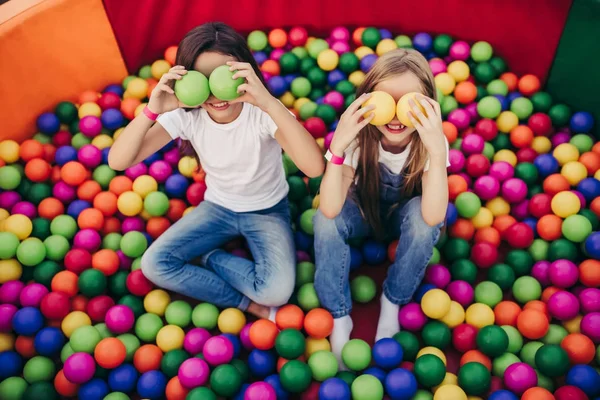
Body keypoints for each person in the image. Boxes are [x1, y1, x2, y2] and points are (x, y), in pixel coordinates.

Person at [108, 22, 324, 320]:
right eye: (202, 79)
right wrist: (153, 109)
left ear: (245, 72)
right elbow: (119, 161)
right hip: (218, 208)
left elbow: (314, 167)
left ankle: (207, 256)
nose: (215, 91)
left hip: (267, 211)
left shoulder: (262, 113)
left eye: (224, 76)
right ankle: (246, 304)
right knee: (154, 264)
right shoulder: (187, 116)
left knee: (276, 291)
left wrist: (268, 102)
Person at [313, 48, 450, 366]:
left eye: (411, 103)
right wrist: (337, 147)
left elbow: (432, 216)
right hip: (362, 212)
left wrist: (436, 150)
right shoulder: (357, 138)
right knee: (322, 221)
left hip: (404, 217)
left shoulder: (432, 142)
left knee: (422, 221)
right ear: (366, 100)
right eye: (386, 100)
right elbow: (331, 210)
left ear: (429, 106)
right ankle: (339, 315)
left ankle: (393, 300)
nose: (397, 115)